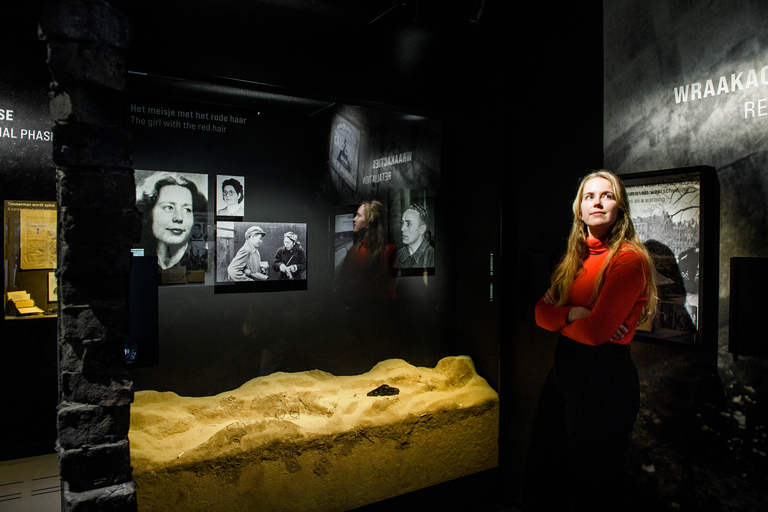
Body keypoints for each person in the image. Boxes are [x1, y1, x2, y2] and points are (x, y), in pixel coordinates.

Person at [524, 170, 658, 512]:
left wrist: (570, 318)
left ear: (620, 207)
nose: (597, 202)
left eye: (607, 195)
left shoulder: (629, 259)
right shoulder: (575, 260)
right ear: (578, 210)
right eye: (589, 196)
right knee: (549, 471)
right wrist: (572, 315)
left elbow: (596, 333)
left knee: (594, 486)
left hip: (604, 380)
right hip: (565, 372)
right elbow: (538, 313)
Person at [136, 172, 208, 270]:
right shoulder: (138, 258)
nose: (179, 218)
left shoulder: (205, 260)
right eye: (168, 208)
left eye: (187, 210)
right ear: (149, 213)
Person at [335, 200, 396, 300]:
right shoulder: (354, 250)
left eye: (359, 215)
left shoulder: (387, 252)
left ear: (369, 222)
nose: (354, 219)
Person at [395, 203, 435, 268]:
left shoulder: (433, 257)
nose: (402, 229)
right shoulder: (398, 255)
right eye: (402, 223)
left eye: (408, 224)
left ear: (421, 229)